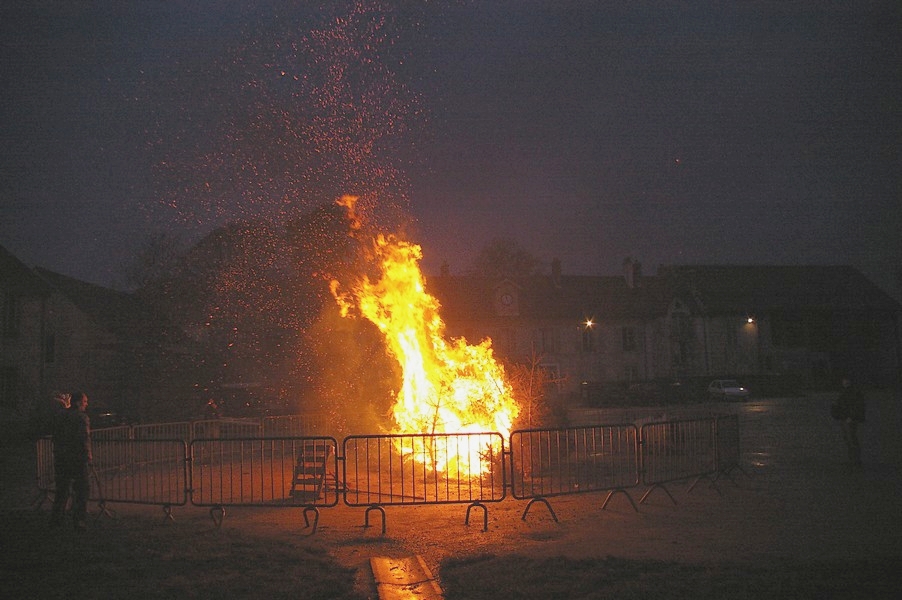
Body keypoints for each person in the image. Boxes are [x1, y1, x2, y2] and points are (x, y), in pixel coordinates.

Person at [50, 391, 93, 529]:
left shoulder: (60, 415)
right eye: (85, 401)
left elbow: (56, 434)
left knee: (62, 489)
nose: (86, 404)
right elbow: (84, 439)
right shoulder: (81, 418)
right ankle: (79, 519)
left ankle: (57, 519)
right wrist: (88, 456)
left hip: (61, 457)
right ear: (78, 402)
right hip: (77, 459)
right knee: (82, 490)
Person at [831, 377, 866, 468]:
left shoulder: (854, 392)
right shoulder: (844, 392)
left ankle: (856, 461)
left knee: (851, 438)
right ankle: (852, 460)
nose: (845, 383)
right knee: (847, 438)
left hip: (850, 419)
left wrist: (852, 417)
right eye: (844, 381)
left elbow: (858, 405)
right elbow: (840, 404)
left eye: (847, 381)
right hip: (844, 418)